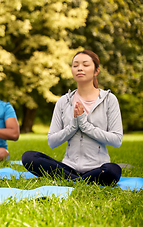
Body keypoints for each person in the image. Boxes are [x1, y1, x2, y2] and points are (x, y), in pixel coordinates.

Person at [21, 50, 123, 186]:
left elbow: (117, 140)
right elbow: (52, 141)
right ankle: (78, 180)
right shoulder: (63, 101)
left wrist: (85, 125)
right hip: (69, 167)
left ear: (96, 71)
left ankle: (70, 180)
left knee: (113, 170)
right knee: (29, 157)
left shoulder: (109, 100)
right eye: (75, 65)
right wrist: (74, 125)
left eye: (85, 65)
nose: (79, 68)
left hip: (98, 168)